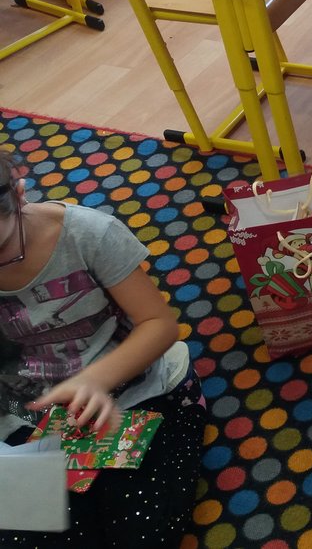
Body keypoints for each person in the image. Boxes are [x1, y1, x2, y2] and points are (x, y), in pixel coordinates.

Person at [0, 149, 205, 547]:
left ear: (19, 193)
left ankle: (184, 407)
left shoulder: (88, 234)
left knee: (141, 533)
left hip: (130, 391)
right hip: (25, 412)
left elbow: (160, 324)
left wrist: (94, 380)